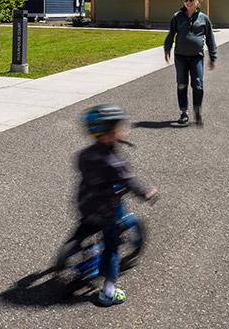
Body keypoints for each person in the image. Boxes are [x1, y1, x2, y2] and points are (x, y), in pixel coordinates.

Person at [59, 104, 157, 307]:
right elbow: (130, 181)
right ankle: (108, 292)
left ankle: (74, 246)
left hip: (86, 204)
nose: (125, 131)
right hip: (107, 210)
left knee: (86, 226)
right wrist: (146, 193)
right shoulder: (114, 161)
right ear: (107, 134)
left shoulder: (84, 154)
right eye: (119, 129)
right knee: (112, 248)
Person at [163, 0, 217, 126]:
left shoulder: (204, 18)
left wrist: (213, 56)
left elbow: (210, 39)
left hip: (196, 57)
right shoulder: (177, 17)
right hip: (180, 56)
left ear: (197, 0)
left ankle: (197, 112)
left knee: (198, 85)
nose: (188, 2)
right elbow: (171, 34)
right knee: (182, 84)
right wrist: (167, 48)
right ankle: (184, 113)